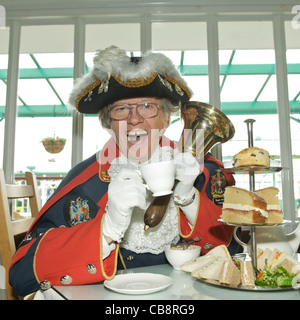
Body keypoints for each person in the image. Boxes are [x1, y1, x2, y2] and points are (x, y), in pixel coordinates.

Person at [9, 46, 237, 297]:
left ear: (167, 119)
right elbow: (22, 275)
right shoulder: (84, 181)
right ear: (109, 124)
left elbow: (239, 252)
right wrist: (106, 230)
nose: (134, 118)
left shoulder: (205, 173)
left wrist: (190, 200)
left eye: (148, 106)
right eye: (121, 109)